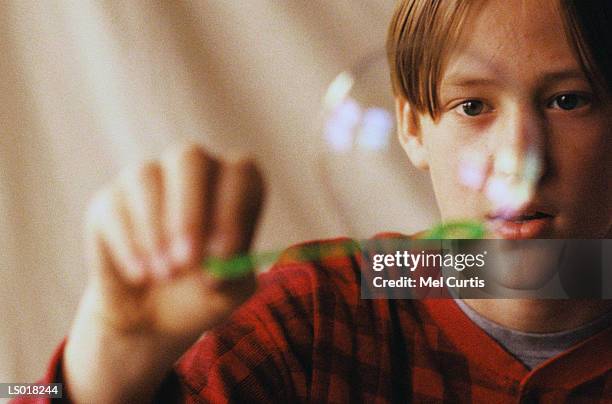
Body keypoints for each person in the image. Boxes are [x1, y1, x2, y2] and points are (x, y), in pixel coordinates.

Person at [14, 0, 612, 402]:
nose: (516, 157)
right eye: (473, 106)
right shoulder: (321, 307)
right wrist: (110, 355)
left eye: (567, 100)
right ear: (410, 126)